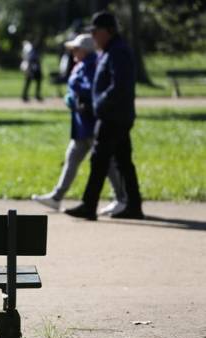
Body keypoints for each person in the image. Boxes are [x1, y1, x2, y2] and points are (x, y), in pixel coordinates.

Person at [32, 34, 127, 215]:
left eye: (77, 49)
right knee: (72, 158)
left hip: (92, 124)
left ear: (86, 50)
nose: (73, 52)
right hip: (81, 125)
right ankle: (57, 197)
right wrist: (72, 98)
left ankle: (122, 198)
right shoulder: (81, 65)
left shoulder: (93, 65)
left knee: (106, 163)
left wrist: (75, 96)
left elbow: (92, 90)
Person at [65, 11, 144, 221]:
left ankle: (89, 205)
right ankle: (134, 205)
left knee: (99, 160)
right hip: (116, 116)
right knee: (123, 162)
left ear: (108, 31)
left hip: (112, 117)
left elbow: (120, 86)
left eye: (95, 31)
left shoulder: (117, 52)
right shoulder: (111, 50)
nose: (93, 35)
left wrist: (99, 104)